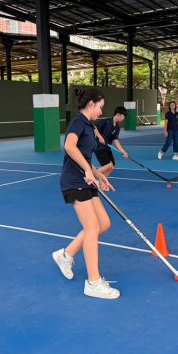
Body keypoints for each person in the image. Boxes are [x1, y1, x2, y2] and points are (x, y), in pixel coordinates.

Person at [51, 88, 118, 300]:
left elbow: (85, 158)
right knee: (92, 228)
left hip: (86, 180)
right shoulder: (78, 123)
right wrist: (88, 171)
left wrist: (98, 175)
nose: (101, 112)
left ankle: (66, 255)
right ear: (91, 104)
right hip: (74, 181)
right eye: (100, 107)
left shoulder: (89, 126)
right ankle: (93, 282)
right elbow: (69, 147)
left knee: (103, 223)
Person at [94, 106, 128, 177]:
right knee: (109, 165)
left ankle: (101, 181)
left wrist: (123, 151)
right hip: (99, 147)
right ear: (118, 114)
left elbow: (116, 141)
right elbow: (94, 127)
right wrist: (100, 137)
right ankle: (90, 174)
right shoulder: (106, 122)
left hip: (107, 148)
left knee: (112, 167)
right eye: (123, 116)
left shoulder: (117, 128)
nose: (123, 118)